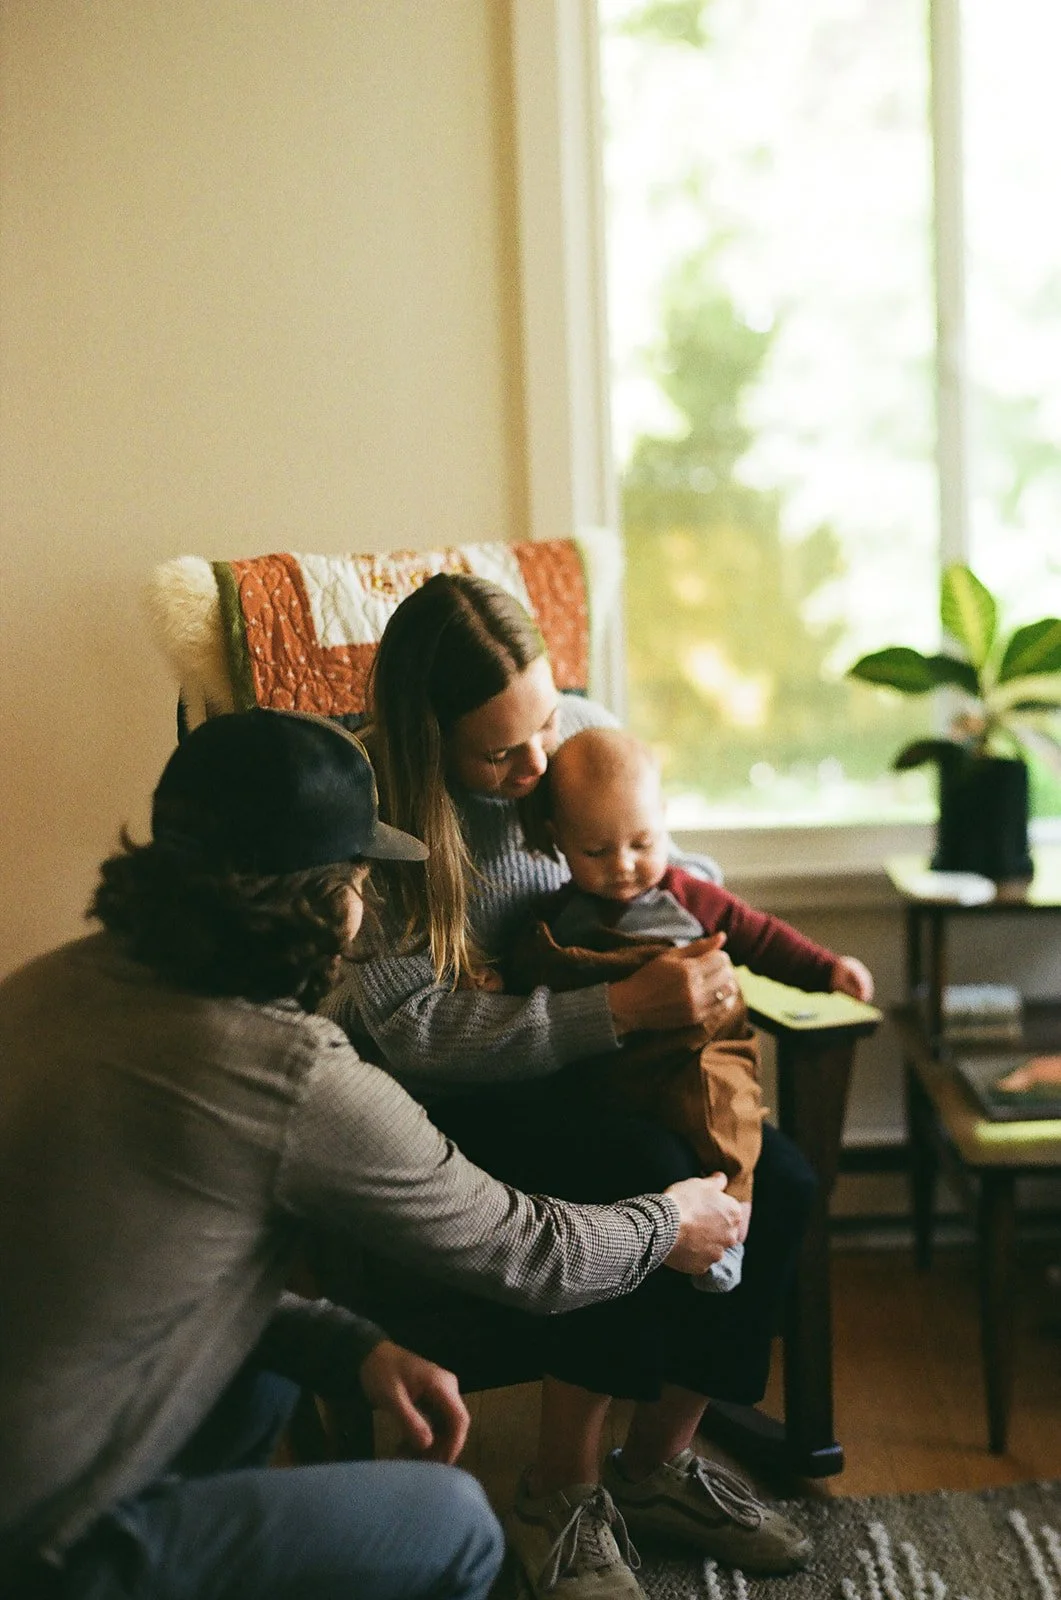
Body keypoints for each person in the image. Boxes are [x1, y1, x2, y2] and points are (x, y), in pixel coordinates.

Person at [0, 708, 744, 1600]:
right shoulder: (287, 1073)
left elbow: (133, 1272)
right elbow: (527, 1252)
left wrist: (349, 1345)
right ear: (324, 900)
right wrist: (671, 1220)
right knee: (455, 1522)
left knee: (269, 1377)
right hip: (41, 1547)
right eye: (360, 878)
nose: (365, 909)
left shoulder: (45, 986)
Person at [322, 574, 822, 1594]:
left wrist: (699, 965)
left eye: (546, 721)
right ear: (430, 743)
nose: (539, 763)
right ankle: (559, 1488)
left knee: (785, 1181)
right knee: (631, 1176)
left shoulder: (577, 738)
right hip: (454, 1093)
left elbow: (662, 868)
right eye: (499, 752)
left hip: (605, 1064)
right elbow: (411, 1031)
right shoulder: (378, 818)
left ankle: (656, 1464)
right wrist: (616, 1011)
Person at [502, 725, 875, 1294]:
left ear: (664, 821)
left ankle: (734, 1224)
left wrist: (827, 970)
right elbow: (524, 977)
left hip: (696, 1055)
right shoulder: (555, 919)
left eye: (642, 843)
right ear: (558, 840)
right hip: (614, 1070)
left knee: (723, 1115)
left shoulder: (687, 896)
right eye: (596, 851)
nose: (623, 865)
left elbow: (760, 937)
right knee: (639, 1156)